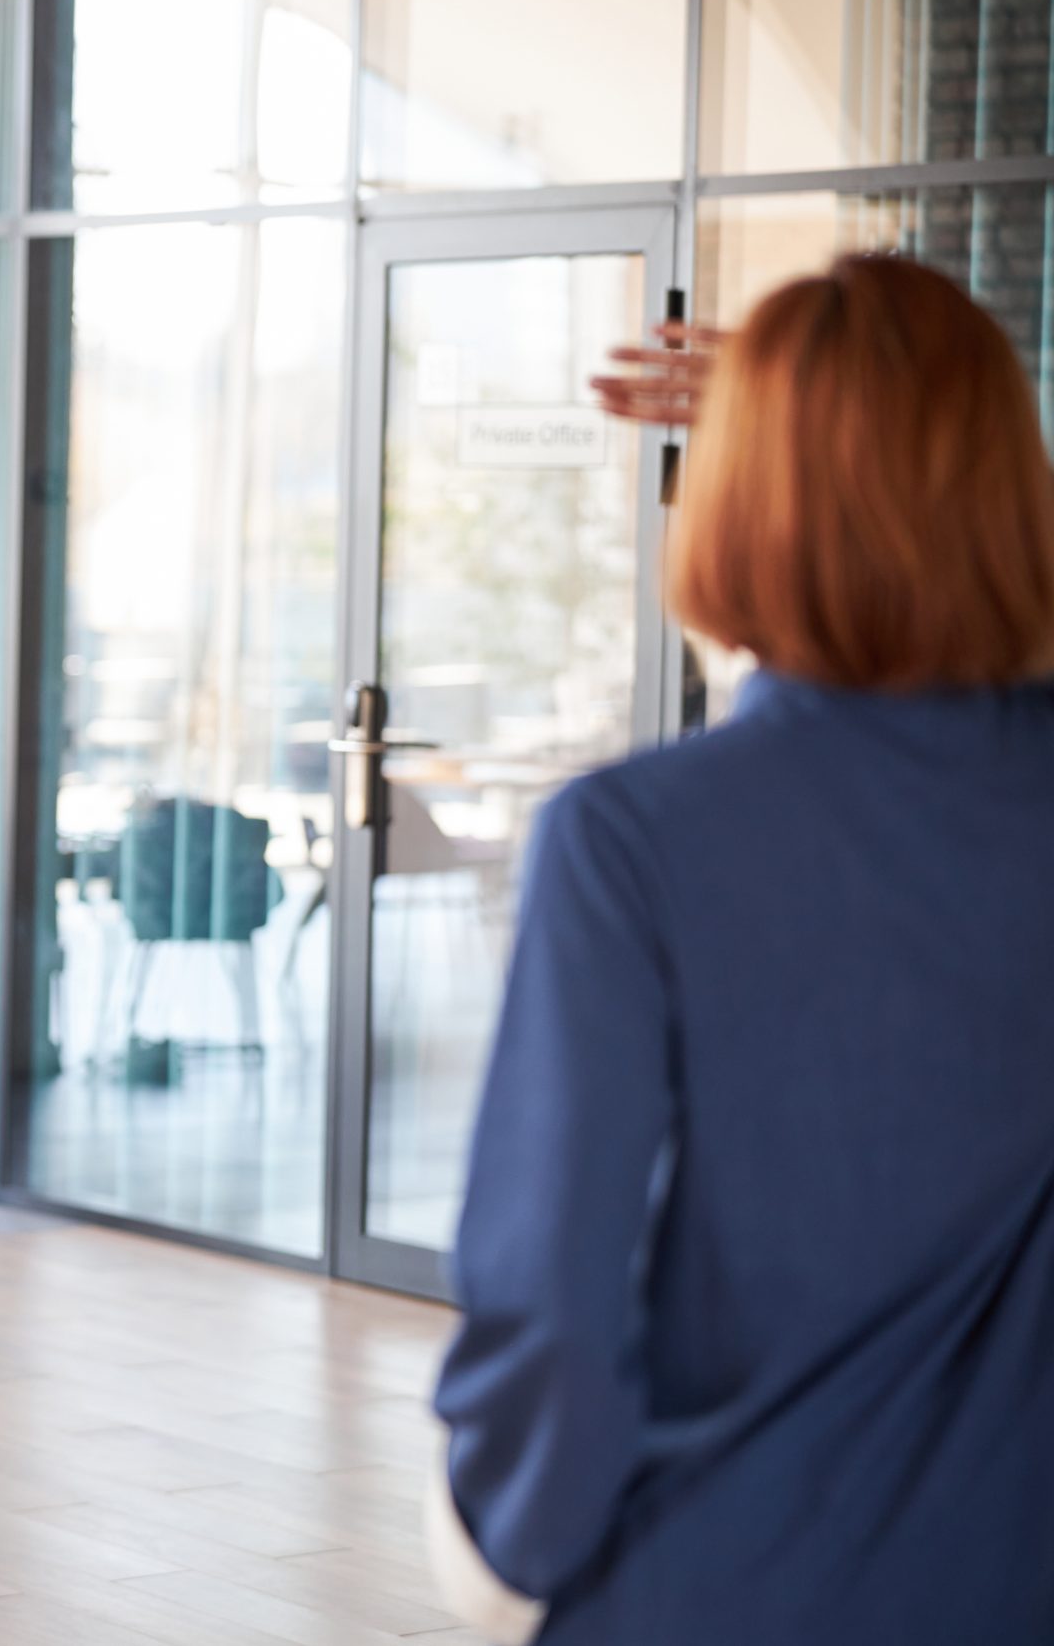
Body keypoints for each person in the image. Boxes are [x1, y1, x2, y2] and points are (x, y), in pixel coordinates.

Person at [427, 254, 1054, 1644]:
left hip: (710, 1586)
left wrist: (504, 1558)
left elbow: (551, 1313)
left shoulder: (634, 841)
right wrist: (893, 442)